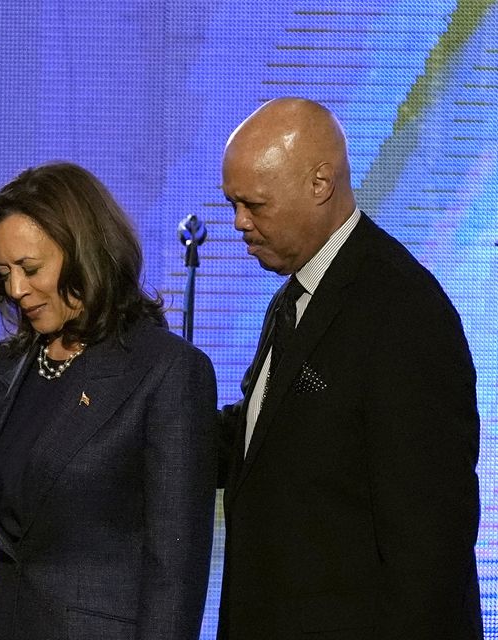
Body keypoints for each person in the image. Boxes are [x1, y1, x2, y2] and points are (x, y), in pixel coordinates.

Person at [217, 97, 482, 639]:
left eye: (254, 205)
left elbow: (428, 544)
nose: (239, 222)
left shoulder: (401, 310)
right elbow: (270, 438)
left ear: (321, 183)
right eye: (232, 204)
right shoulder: (297, 294)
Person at [0, 162, 217, 639]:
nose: (15, 290)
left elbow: (175, 572)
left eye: (30, 269)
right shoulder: (9, 364)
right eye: (4, 274)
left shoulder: (167, 370)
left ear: (85, 252)